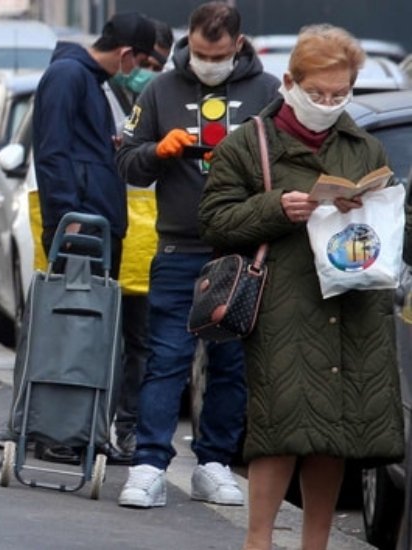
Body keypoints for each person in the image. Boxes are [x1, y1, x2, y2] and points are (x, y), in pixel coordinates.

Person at [199, 24, 408, 550]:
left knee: (333, 434)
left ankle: (315, 543)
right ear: (289, 82)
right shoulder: (251, 143)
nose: (328, 103)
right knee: (279, 429)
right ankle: (258, 541)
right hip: (284, 305)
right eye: (317, 93)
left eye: (340, 94)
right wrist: (277, 207)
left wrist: (374, 208)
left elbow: (386, 222)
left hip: (351, 302)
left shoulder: (362, 145)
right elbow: (215, 220)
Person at [115, 1, 279, 509]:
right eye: (201, 53)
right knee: (167, 359)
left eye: (219, 54)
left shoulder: (267, 91)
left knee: (230, 363)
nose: (208, 62)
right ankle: (148, 465)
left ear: (238, 44)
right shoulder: (160, 89)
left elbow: (287, 161)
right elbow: (126, 161)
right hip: (178, 245)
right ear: (189, 40)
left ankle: (214, 463)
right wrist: (155, 151)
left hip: (239, 250)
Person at [0, 11, 157, 453]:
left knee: (85, 329)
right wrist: (68, 215)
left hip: (93, 223)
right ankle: (44, 427)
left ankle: (67, 427)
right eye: (142, 62)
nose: (138, 72)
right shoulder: (68, 76)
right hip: (82, 225)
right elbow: (53, 151)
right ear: (127, 54)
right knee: (63, 326)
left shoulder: (88, 81)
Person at [104, 17, 174, 466]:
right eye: (145, 60)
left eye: (158, 63)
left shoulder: (167, 100)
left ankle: (127, 430)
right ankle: (92, 425)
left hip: (150, 242)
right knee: (102, 341)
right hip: (111, 230)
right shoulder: (105, 90)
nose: (148, 68)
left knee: (142, 345)